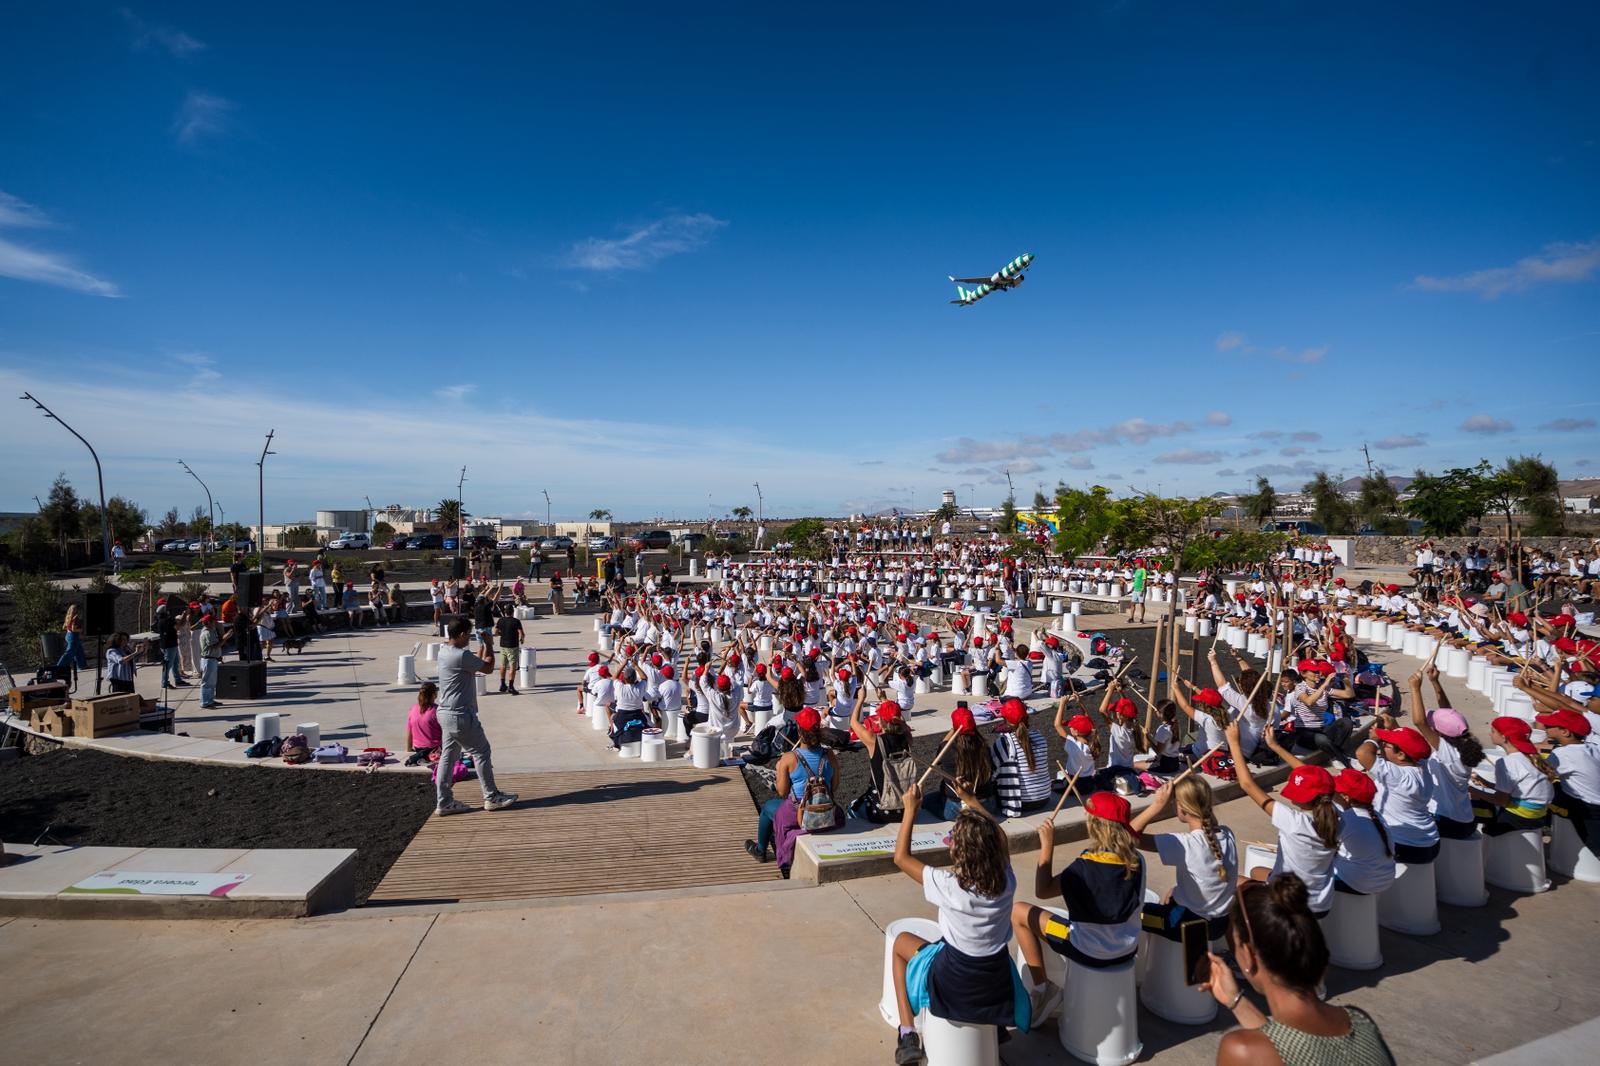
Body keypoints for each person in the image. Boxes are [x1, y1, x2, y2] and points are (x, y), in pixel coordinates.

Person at [888, 783, 1027, 1065]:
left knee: (901, 942)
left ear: (959, 851)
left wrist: (910, 811)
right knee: (983, 950)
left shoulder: (950, 886)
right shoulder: (1006, 880)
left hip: (953, 987)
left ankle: (907, 1034)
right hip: (994, 985)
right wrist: (971, 800)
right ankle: (995, 1026)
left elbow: (901, 858)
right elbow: (1000, 836)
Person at [1204, 876, 1396, 1065]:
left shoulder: (1242, 1051)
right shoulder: (1358, 1021)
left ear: (1248, 955)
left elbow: (1284, 1050)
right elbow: (1292, 1048)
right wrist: (1235, 1000)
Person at [1012, 791, 1145, 1019]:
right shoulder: (1136, 860)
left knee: (1018, 912)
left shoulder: (1081, 869)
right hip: (1127, 949)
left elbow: (1042, 891)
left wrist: (1047, 846)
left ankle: (1043, 989)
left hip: (1086, 950)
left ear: (1094, 825)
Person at [1228, 720, 1340, 917]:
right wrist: (1275, 746)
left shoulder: (1293, 820)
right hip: (1321, 904)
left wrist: (1234, 744)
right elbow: (1312, 777)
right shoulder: (1338, 815)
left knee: (1229, 882)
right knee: (1256, 871)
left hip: (1288, 902)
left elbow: (1247, 784)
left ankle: (1251, 937)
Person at [1131, 777, 1238, 945]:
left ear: (1181, 806)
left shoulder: (1185, 844)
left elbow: (1129, 837)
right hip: (1219, 923)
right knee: (1173, 894)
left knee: (1134, 914)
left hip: (1187, 925)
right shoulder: (1226, 833)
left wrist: (1157, 806)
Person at [434, 618, 518, 816]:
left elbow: (475, 663)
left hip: (445, 712)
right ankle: (492, 797)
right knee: (481, 752)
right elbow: (488, 668)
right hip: (461, 714)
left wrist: (482, 647)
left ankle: (444, 801)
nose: (470, 638)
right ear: (462, 634)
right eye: (469, 634)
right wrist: (489, 644)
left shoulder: (444, 651)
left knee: (448, 756)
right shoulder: (461, 655)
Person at [743, 708, 841, 874]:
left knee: (768, 808)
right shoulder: (829, 754)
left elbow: (782, 792)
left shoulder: (789, 758)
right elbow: (835, 785)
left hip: (799, 813)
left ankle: (761, 850)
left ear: (799, 730)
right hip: (826, 811)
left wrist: (780, 769)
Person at [992, 697, 1052, 816]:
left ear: (1005, 720)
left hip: (1020, 803)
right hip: (1044, 798)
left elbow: (992, 774)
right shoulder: (1040, 738)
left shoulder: (1004, 742)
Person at [406, 681, 442, 765]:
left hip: (418, 749)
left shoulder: (413, 709)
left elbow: (409, 732)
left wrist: (408, 749)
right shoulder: (437, 711)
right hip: (434, 749)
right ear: (434, 695)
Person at [494, 607, 524, 694]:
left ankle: (502, 684)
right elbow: (521, 633)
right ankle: (511, 686)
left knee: (503, 665)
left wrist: (501, 633)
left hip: (503, 645)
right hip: (513, 646)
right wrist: (522, 639)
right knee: (512, 666)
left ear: (505, 612)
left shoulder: (500, 620)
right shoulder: (516, 621)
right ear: (513, 612)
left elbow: (495, 632)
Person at [197, 609, 223, 709]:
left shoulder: (211, 631)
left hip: (212, 659)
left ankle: (210, 700)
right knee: (206, 682)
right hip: (208, 659)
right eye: (213, 621)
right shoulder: (207, 633)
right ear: (208, 622)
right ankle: (204, 702)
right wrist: (224, 639)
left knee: (212, 682)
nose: (215, 623)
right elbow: (214, 646)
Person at [56, 611, 87, 693]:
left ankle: (82, 665)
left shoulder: (68, 617)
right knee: (69, 652)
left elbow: (64, 627)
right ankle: (60, 666)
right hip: (73, 636)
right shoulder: (76, 618)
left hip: (68, 635)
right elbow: (74, 629)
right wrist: (81, 629)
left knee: (78, 651)